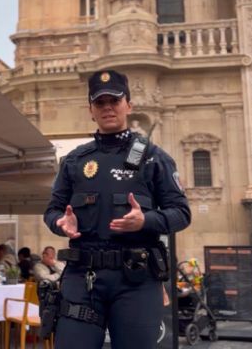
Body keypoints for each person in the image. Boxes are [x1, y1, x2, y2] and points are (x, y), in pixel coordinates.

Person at [44, 69, 191, 349]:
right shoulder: (75, 161)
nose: (108, 107)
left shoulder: (153, 158)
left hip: (135, 279)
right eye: (100, 102)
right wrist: (60, 223)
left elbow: (181, 213)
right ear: (91, 110)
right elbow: (51, 211)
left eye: (115, 100)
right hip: (82, 278)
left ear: (129, 105)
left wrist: (145, 221)